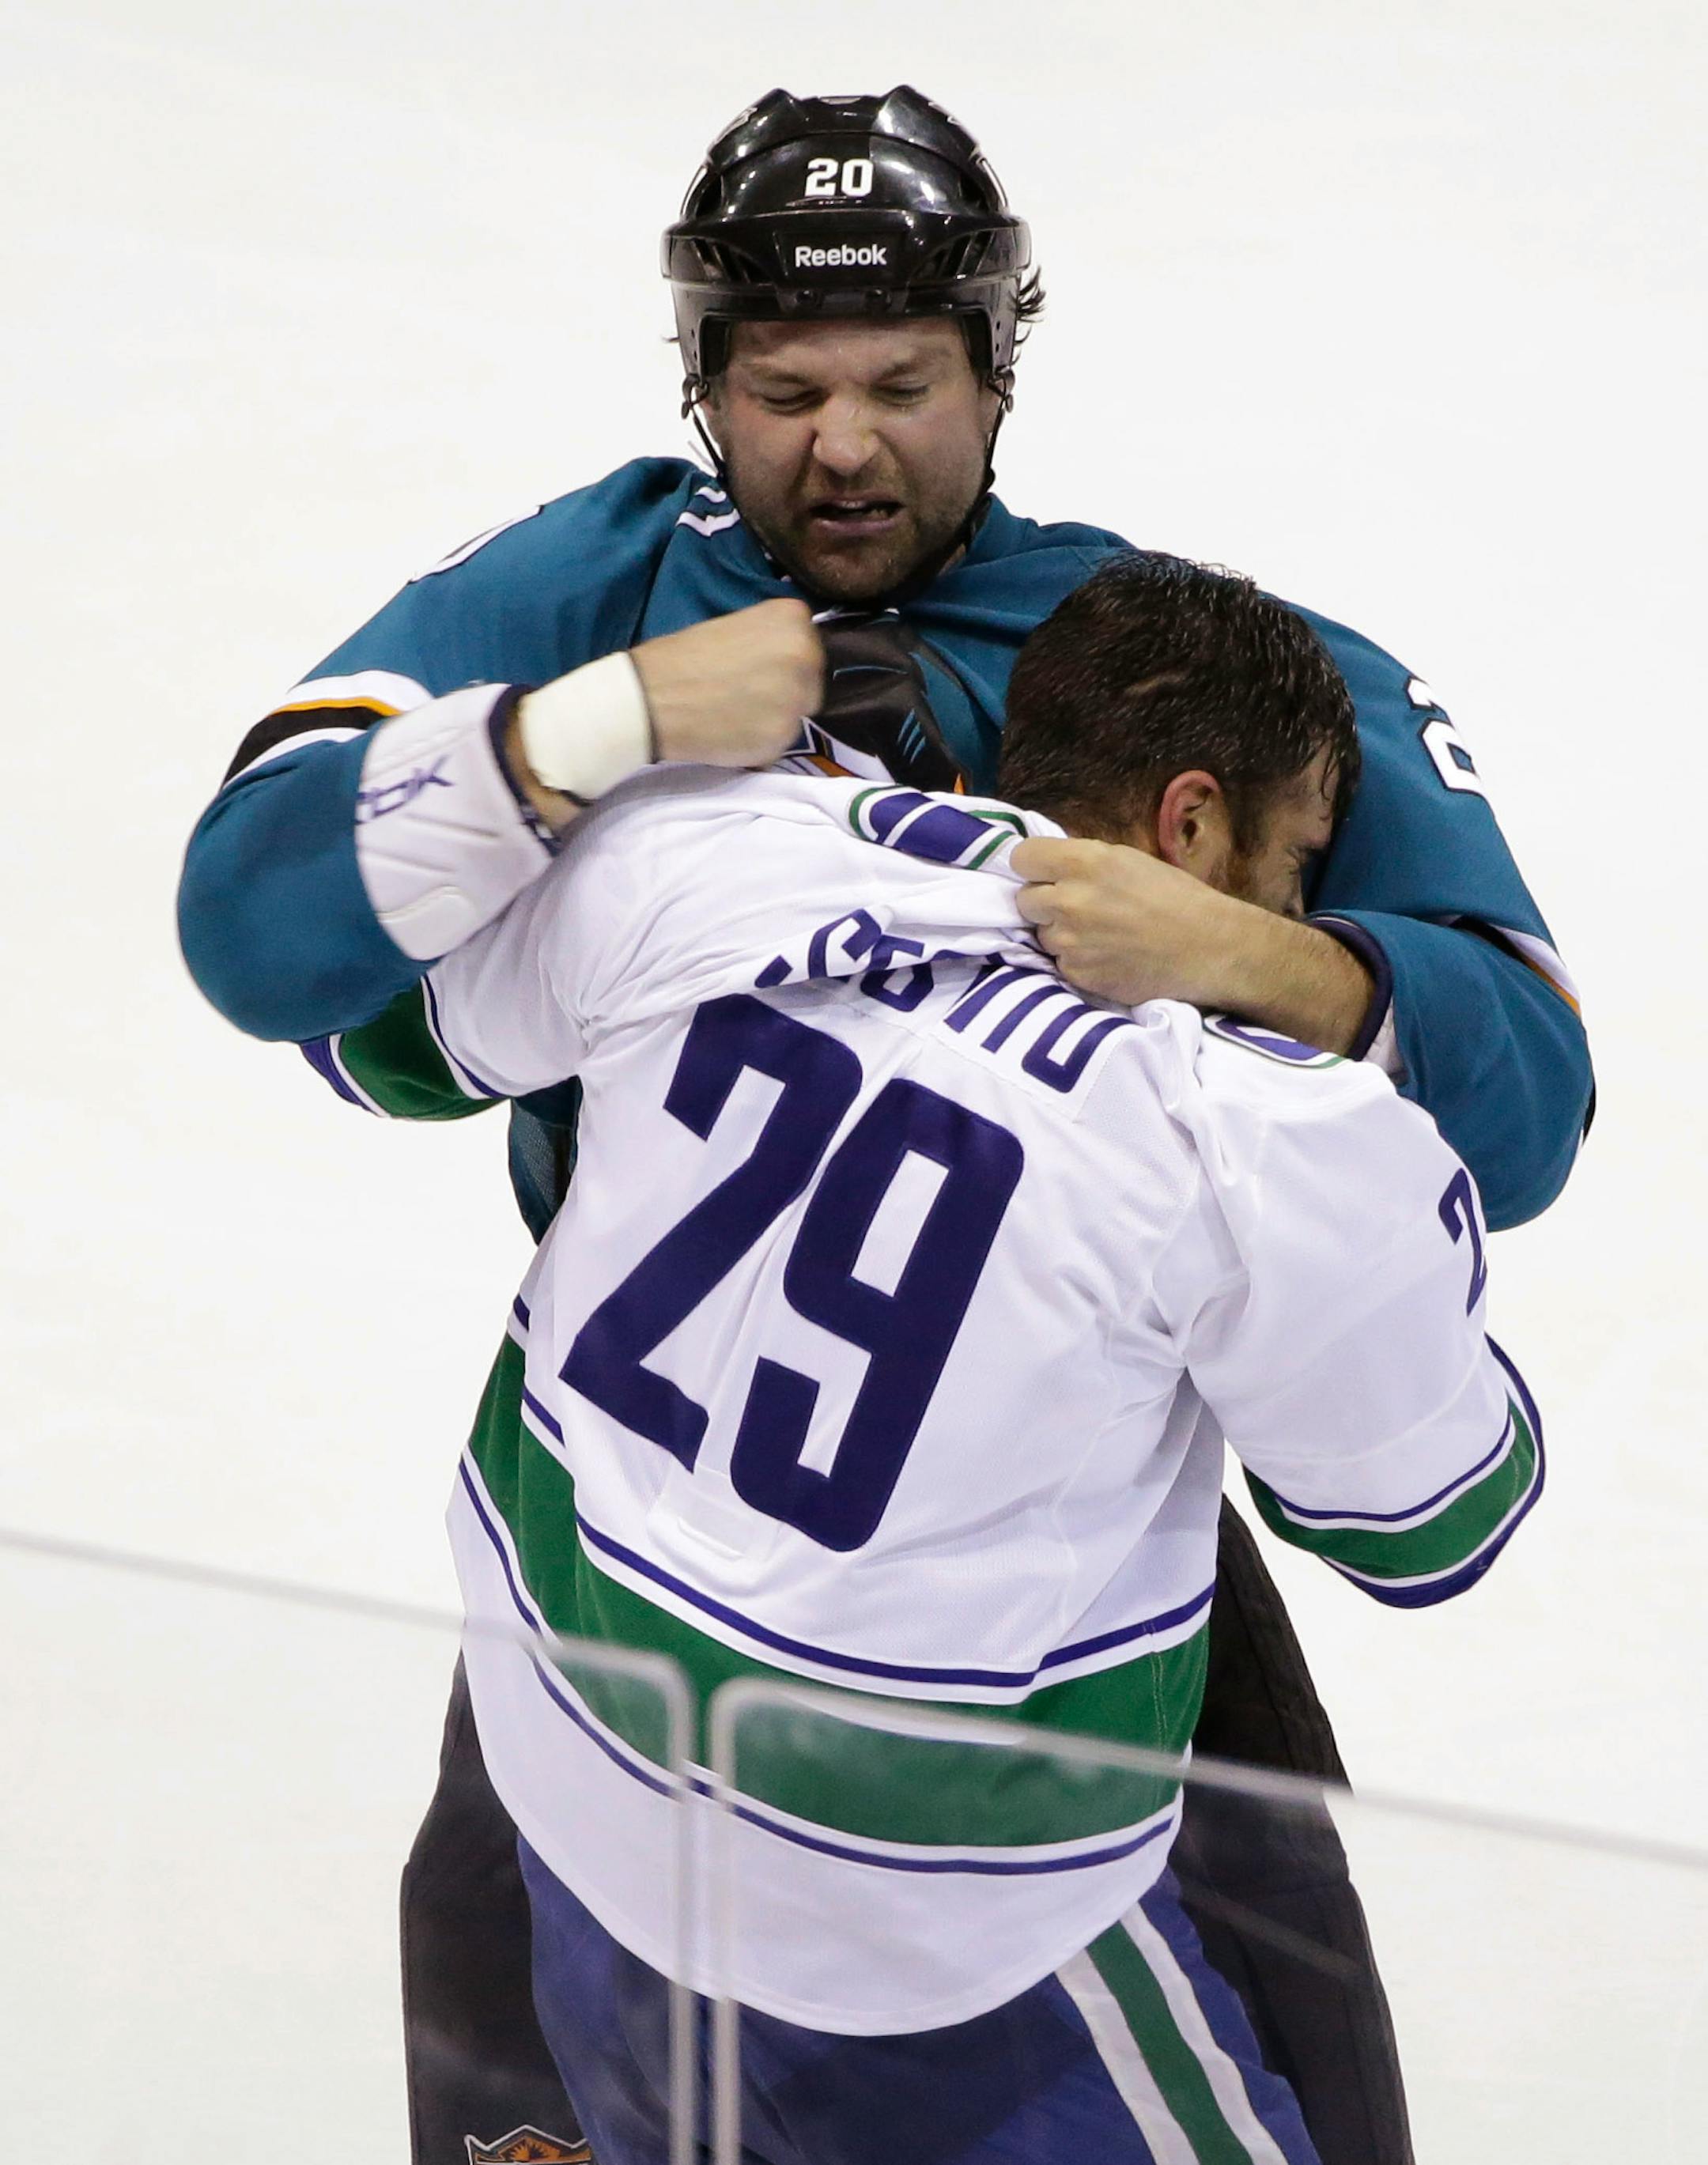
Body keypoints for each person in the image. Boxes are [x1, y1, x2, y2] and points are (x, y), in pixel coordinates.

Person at [175, 86, 1589, 2165]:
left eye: (905, 385)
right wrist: (611, 726)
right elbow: (269, 928)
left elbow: (1531, 1100)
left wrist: (1265, 960)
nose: (843, 444)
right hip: (644, 1514)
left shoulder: (1164, 662)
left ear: (997, 371)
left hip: (1038, 1542)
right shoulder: (598, 593)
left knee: (1299, 2054)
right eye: (784, 389)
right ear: (705, 387)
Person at [406, 553, 1544, 2165]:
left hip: (575, 1789)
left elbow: (381, 1029)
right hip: (936, 1933)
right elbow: (1431, 1524)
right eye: (1295, 867)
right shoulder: (1256, 1119)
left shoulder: (711, 846)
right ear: (1195, 826)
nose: (1295, 918)